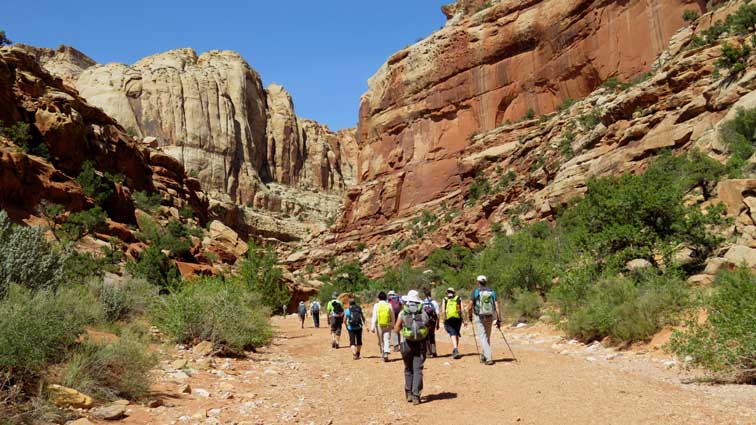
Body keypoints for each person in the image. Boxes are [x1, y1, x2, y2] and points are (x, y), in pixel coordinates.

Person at [394, 290, 429, 405]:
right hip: (420, 344)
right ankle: (416, 396)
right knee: (418, 369)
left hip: (406, 343)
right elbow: (427, 325)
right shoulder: (422, 312)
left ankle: (408, 393)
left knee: (408, 368)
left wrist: (398, 340)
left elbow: (396, 328)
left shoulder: (403, 312)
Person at [471, 275, 501, 365]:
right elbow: (496, 306)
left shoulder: (476, 292)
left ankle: (488, 358)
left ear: (478, 282)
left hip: (479, 316)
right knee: (487, 336)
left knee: (483, 337)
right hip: (489, 316)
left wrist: (469, 316)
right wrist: (499, 318)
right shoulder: (492, 292)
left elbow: (470, 305)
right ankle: (484, 355)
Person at [370, 291, 396, 362]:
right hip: (388, 324)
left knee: (381, 340)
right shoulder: (389, 305)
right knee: (387, 339)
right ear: (385, 298)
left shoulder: (376, 305)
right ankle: (386, 353)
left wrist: (372, 327)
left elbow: (374, 317)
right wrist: (393, 324)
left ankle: (382, 353)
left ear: (379, 298)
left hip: (379, 325)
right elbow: (392, 315)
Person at [440, 287, 463, 359]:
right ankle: (455, 348)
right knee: (456, 333)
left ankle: (455, 349)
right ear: (454, 292)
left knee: (452, 333)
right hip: (458, 318)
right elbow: (462, 309)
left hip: (448, 319)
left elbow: (443, 310)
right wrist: (464, 320)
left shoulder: (445, 299)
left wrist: (444, 318)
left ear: (447, 292)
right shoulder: (458, 298)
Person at [422, 288, 440, 357]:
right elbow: (437, 314)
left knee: (426, 336)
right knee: (432, 335)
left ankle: (428, 352)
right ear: (430, 294)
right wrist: (437, 324)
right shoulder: (434, 302)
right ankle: (434, 351)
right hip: (432, 321)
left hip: (425, 321)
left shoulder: (422, 303)